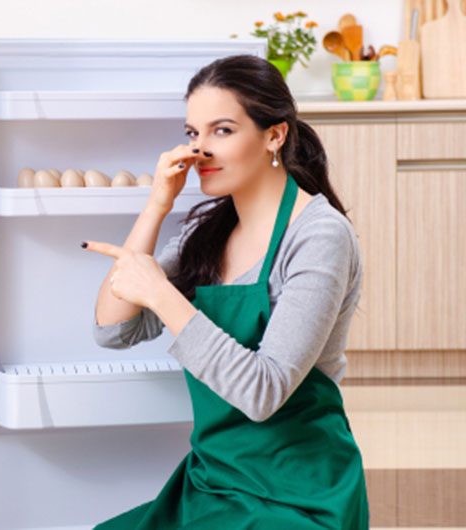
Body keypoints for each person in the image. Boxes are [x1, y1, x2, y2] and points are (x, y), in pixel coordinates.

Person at [81, 54, 370, 529]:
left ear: (274, 135)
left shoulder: (319, 236)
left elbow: (264, 391)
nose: (200, 150)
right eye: (193, 133)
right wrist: (156, 205)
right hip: (215, 480)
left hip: (300, 494)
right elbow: (114, 330)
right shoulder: (209, 235)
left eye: (222, 131)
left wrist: (162, 293)